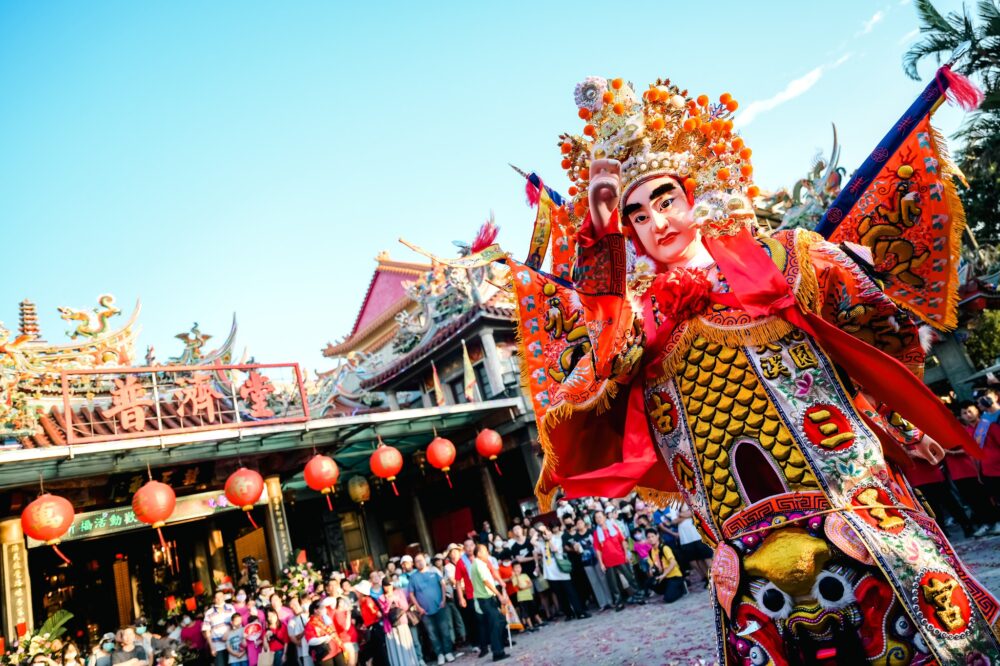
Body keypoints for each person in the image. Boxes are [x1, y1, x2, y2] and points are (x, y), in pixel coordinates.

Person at [408, 553, 456, 665]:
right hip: (425, 612)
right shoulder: (413, 577)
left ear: (425, 560)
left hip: (440, 607)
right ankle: (440, 654)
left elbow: (443, 585)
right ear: (415, 564)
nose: (420, 562)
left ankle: (448, 652)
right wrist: (419, 608)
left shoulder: (434, 571)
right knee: (432, 634)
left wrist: (444, 600)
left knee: (445, 630)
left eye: (421, 560)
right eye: (417, 561)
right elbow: (411, 594)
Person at [538, 524, 588, 621]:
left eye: (547, 531)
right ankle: (568, 614)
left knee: (571, 592)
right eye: (544, 533)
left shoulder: (557, 539)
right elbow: (532, 541)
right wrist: (539, 531)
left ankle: (579, 612)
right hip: (551, 573)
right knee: (560, 595)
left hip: (561, 570)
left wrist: (549, 540)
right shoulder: (541, 543)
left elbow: (555, 550)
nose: (546, 534)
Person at [470, 544, 508, 662]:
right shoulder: (479, 564)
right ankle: (497, 652)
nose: (487, 554)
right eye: (485, 551)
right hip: (485, 599)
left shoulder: (476, 564)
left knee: (500, 620)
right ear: (479, 553)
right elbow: (486, 582)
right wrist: (499, 595)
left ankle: (499, 645)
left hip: (486, 599)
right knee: (495, 624)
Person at [592, 511, 637, 610]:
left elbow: (623, 541)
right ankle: (619, 602)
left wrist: (626, 554)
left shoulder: (614, 527)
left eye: (600, 517)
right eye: (596, 518)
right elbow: (598, 549)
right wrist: (601, 563)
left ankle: (637, 596)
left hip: (620, 557)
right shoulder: (596, 533)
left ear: (604, 517)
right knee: (613, 584)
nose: (598, 519)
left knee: (630, 578)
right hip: (608, 561)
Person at [376, 580, 419, 666]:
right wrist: (388, 601)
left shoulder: (399, 592)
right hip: (390, 626)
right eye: (385, 586)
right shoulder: (381, 597)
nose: (388, 587)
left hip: (402, 622)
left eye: (389, 585)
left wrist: (397, 599)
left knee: (405, 644)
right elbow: (385, 612)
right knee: (395, 648)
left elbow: (405, 607)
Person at [644, 529, 686, 603]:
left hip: (674, 576)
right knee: (649, 582)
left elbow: (673, 563)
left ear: (657, 536)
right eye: (648, 537)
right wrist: (651, 570)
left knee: (668, 599)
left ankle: (681, 588)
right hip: (663, 577)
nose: (651, 539)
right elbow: (651, 565)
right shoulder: (650, 552)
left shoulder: (664, 548)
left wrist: (664, 575)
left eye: (652, 536)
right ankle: (669, 590)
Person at [441, 545, 467, 647]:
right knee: (462, 615)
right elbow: (453, 581)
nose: (454, 553)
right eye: (452, 552)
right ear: (449, 554)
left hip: (468, 589)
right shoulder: (448, 567)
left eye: (456, 551)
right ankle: (465, 637)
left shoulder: (464, 562)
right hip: (458, 591)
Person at [204, 591, 237, 666]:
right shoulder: (209, 613)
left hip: (232, 643)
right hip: (218, 646)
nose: (219, 599)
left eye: (221, 596)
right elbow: (207, 631)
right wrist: (211, 647)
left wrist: (228, 632)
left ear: (224, 597)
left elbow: (236, 623)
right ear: (214, 600)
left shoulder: (230, 608)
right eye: (217, 597)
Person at [510, 563, 539, 632]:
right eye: (516, 568)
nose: (518, 569)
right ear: (513, 569)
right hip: (522, 598)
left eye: (519, 567)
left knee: (533, 609)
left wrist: (524, 587)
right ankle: (530, 626)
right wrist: (516, 577)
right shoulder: (514, 578)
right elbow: (518, 587)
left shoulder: (525, 575)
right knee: (526, 612)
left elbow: (530, 584)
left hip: (529, 595)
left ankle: (539, 621)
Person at [331, 597, 358, 666]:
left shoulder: (343, 612)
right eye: (341, 602)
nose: (343, 603)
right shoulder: (338, 613)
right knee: (351, 663)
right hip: (346, 640)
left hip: (352, 639)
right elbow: (346, 627)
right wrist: (348, 615)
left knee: (354, 662)